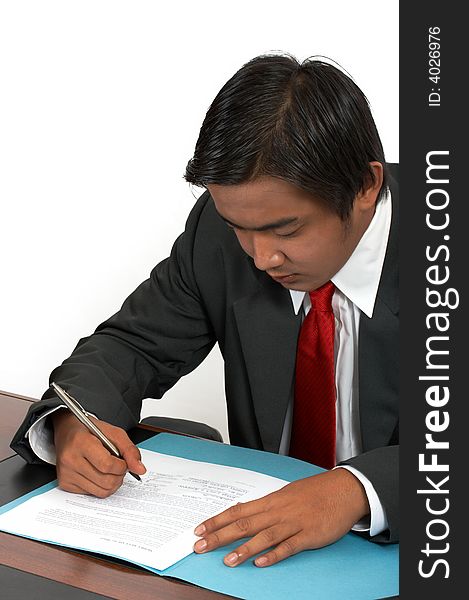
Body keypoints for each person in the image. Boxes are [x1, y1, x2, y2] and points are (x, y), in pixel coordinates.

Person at [11, 53, 398, 569]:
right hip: (259, 559)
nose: (262, 258)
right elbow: (132, 345)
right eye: (240, 226)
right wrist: (75, 421)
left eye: (286, 230)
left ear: (366, 189)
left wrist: (353, 492)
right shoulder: (219, 234)